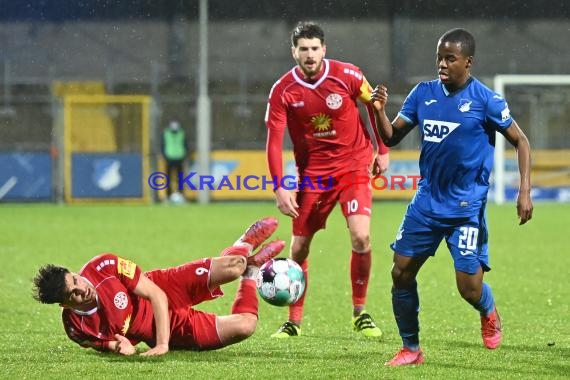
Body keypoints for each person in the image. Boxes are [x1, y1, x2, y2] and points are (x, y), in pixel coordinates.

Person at [370, 28, 533, 366]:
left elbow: (522, 141)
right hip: (426, 203)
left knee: (469, 290)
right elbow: (391, 138)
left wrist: (524, 190)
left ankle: (487, 309)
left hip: (466, 208)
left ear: (468, 62)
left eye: (450, 58)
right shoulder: (423, 93)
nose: (442, 64)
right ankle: (411, 349)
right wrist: (379, 112)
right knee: (400, 273)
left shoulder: (485, 100)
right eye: (439, 57)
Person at [264, 21, 390, 339]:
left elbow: (375, 104)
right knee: (299, 249)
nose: (309, 55)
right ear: (294, 51)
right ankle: (293, 321)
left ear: (324, 49)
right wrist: (280, 186)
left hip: (354, 167)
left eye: (314, 48)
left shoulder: (348, 75)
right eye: (303, 49)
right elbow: (274, 142)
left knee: (361, 237)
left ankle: (359, 313)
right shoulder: (283, 91)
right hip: (314, 177)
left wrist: (383, 149)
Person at [32, 217, 283, 356]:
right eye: (72, 294)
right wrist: (121, 348)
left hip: (164, 287)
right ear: (64, 305)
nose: (81, 288)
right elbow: (108, 345)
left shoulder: (103, 265)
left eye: (75, 279)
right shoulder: (75, 327)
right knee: (246, 326)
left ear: (73, 273)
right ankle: (251, 272)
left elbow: (156, 294)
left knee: (233, 266)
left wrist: (163, 345)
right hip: (166, 329)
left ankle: (243, 249)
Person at [161, 119, 189, 199]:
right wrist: (165, 156)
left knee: (180, 179)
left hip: (179, 158)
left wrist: (184, 155)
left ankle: (181, 195)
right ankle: (168, 196)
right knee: (168, 178)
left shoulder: (181, 133)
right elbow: (163, 145)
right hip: (169, 158)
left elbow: (185, 145)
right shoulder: (166, 133)